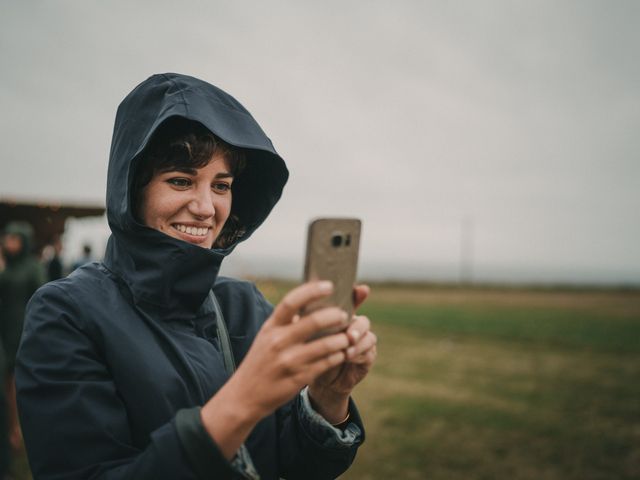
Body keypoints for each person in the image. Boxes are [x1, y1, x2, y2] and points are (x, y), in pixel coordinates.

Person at [16, 73, 377, 479]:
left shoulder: (244, 305)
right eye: (181, 180)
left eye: (221, 186)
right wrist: (243, 400)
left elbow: (293, 465)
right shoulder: (66, 313)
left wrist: (327, 398)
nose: (206, 207)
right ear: (132, 190)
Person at [0, 221, 46, 454]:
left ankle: (24, 429)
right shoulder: (6, 267)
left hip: (25, 330)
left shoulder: (32, 267)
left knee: (21, 382)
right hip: (5, 332)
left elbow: (41, 299)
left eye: (14, 239)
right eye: (7, 238)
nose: (9, 243)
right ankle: (10, 429)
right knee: (6, 384)